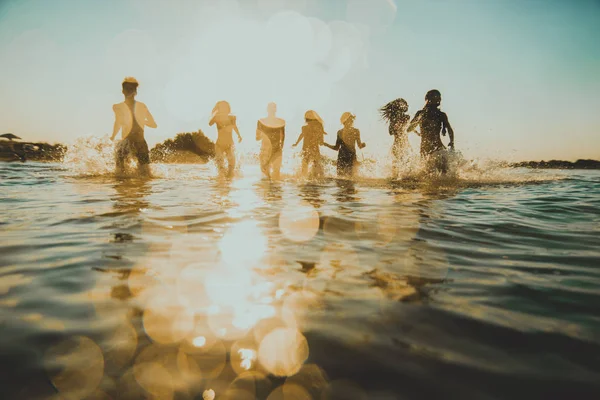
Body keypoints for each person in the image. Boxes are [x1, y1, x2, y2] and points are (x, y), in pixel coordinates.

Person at [110, 77, 157, 176]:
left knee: (145, 175)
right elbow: (117, 122)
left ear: (135, 92)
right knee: (119, 174)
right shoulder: (117, 107)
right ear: (123, 91)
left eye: (132, 89)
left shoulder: (141, 106)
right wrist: (113, 136)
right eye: (127, 89)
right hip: (125, 142)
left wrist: (142, 121)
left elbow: (153, 124)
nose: (129, 91)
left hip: (140, 142)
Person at [408, 89, 454, 173]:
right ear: (428, 99)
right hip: (428, 149)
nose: (437, 100)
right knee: (432, 174)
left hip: (435, 148)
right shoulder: (421, 114)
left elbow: (449, 129)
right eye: (435, 98)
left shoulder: (441, 115)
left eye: (438, 98)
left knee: (441, 173)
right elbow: (409, 129)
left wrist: (452, 142)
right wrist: (418, 131)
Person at [324, 112, 365, 178]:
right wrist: (326, 145)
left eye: (351, 119)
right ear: (345, 121)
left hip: (346, 156)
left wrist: (326, 145)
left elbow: (336, 148)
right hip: (346, 156)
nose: (351, 121)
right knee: (346, 178)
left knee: (344, 178)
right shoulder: (352, 131)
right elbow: (336, 148)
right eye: (350, 119)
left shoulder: (346, 132)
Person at [209, 100, 242, 177]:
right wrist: (215, 116)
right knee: (220, 164)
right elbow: (210, 124)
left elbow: (234, 126)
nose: (223, 109)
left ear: (228, 108)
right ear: (219, 109)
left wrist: (239, 135)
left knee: (231, 165)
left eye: (225, 107)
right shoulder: (217, 117)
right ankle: (221, 181)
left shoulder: (232, 117)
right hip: (219, 144)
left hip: (229, 144)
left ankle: (229, 180)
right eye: (221, 107)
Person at [380, 98, 410, 175]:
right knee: (402, 164)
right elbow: (391, 131)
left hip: (398, 145)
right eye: (406, 105)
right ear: (401, 107)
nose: (408, 106)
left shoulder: (397, 118)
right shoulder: (404, 117)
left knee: (400, 164)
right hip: (400, 145)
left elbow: (391, 132)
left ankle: (395, 179)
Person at [292, 110, 326, 178]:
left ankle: (318, 178)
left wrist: (321, 140)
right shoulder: (304, 128)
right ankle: (306, 179)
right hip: (306, 148)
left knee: (316, 166)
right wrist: (296, 143)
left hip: (313, 148)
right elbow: (302, 135)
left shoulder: (318, 126)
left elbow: (321, 139)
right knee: (305, 167)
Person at [256, 102, 285, 179]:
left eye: (273, 108)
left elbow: (283, 136)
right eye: (271, 108)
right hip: (266, 150)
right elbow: (257, 137)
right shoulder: (261, 121)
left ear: (276, 110)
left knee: (275, 173)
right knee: (267, 174)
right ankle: (271, 189)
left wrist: (281, 148)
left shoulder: (280, 121)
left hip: (275, 149)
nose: (272, 110)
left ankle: (275, 189)